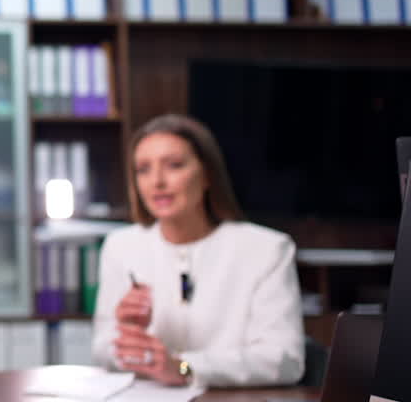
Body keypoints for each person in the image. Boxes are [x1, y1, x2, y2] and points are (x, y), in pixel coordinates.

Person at [92, 113, 305, 387]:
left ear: (206, 175)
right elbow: (101, 349)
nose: (157, 181)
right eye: (143, 169)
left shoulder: (267, 250)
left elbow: (284, 359)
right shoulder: (121, 246)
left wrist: (185, 367)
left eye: (174, 165)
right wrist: (129, 334)